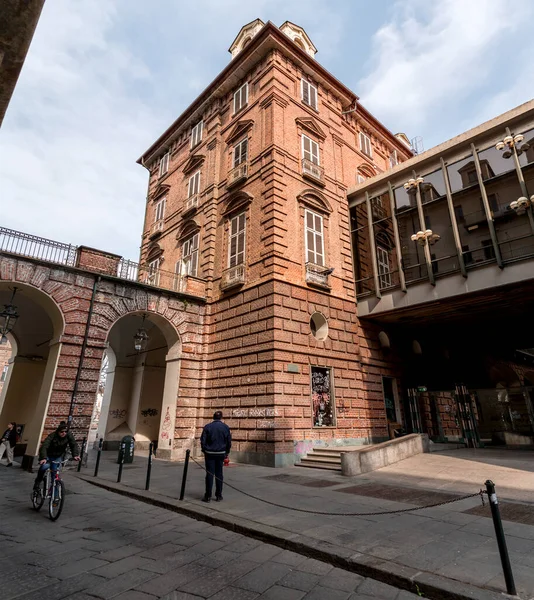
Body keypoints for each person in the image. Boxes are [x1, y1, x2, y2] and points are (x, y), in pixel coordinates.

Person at [33, 423, 80, 490]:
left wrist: (75, 455)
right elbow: (44, 446)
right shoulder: (52, 436)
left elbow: (73, 445)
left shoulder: (68, 435)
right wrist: (43, 458)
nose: (64, 433)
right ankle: (38, 481)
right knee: (44, 467)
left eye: (65, 431)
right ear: (58, 431)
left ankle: (55, 496)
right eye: (62, 432)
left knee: (55, 475)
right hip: (48, 455)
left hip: (58, 456)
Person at [200, 410, 231, 502]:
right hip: (221, 453)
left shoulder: (207, 427)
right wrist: (226, 452)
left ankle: (208, 496)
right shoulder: (225, 427)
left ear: (213, 417)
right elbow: (228, 441)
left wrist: (205, 450)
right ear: (221, 417)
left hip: (209, 454)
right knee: (219, 474)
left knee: (209, 474)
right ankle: (218, 495)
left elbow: (203, 440)